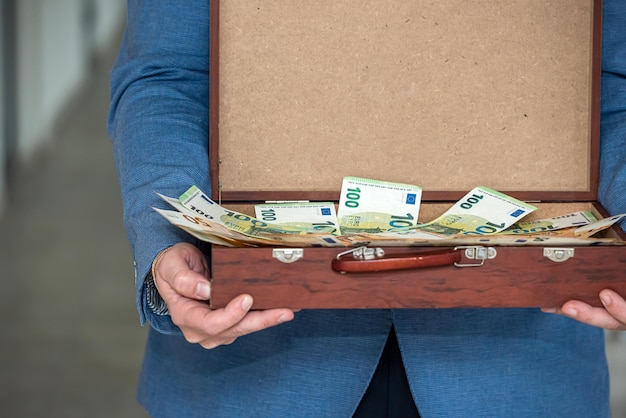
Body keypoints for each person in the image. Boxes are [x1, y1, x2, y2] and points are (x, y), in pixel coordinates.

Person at [107, 1, 626, 417]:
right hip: (254, 375)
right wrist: (169, 244)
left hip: (521, 375)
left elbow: (611, 86)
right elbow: (167, 76)